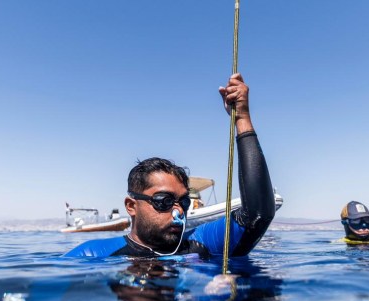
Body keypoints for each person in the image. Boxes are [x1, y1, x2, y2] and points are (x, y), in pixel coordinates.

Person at [64, 73, 276, 258]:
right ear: (131, 206)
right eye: (163, 201)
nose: (178, 211)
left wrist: (242, 118)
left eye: (184, 202)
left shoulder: (198, 243)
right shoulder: (93, 255)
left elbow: (257, 214)